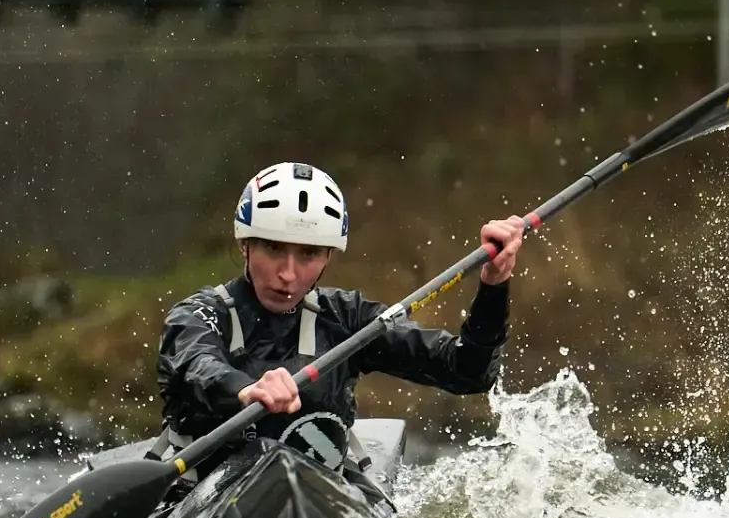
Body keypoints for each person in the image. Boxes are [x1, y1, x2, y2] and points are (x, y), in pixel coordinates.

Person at [154, 161, 525, 472]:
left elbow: (469, 372)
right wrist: (244, 388)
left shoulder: (348, 319)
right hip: (206, 492)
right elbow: (196, 363)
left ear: (329, 256)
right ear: (244, 244)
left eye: (308, 254)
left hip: (320, 494)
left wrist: (494, 285)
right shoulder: (199, 314)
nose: (288, 272)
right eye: (273, 248)